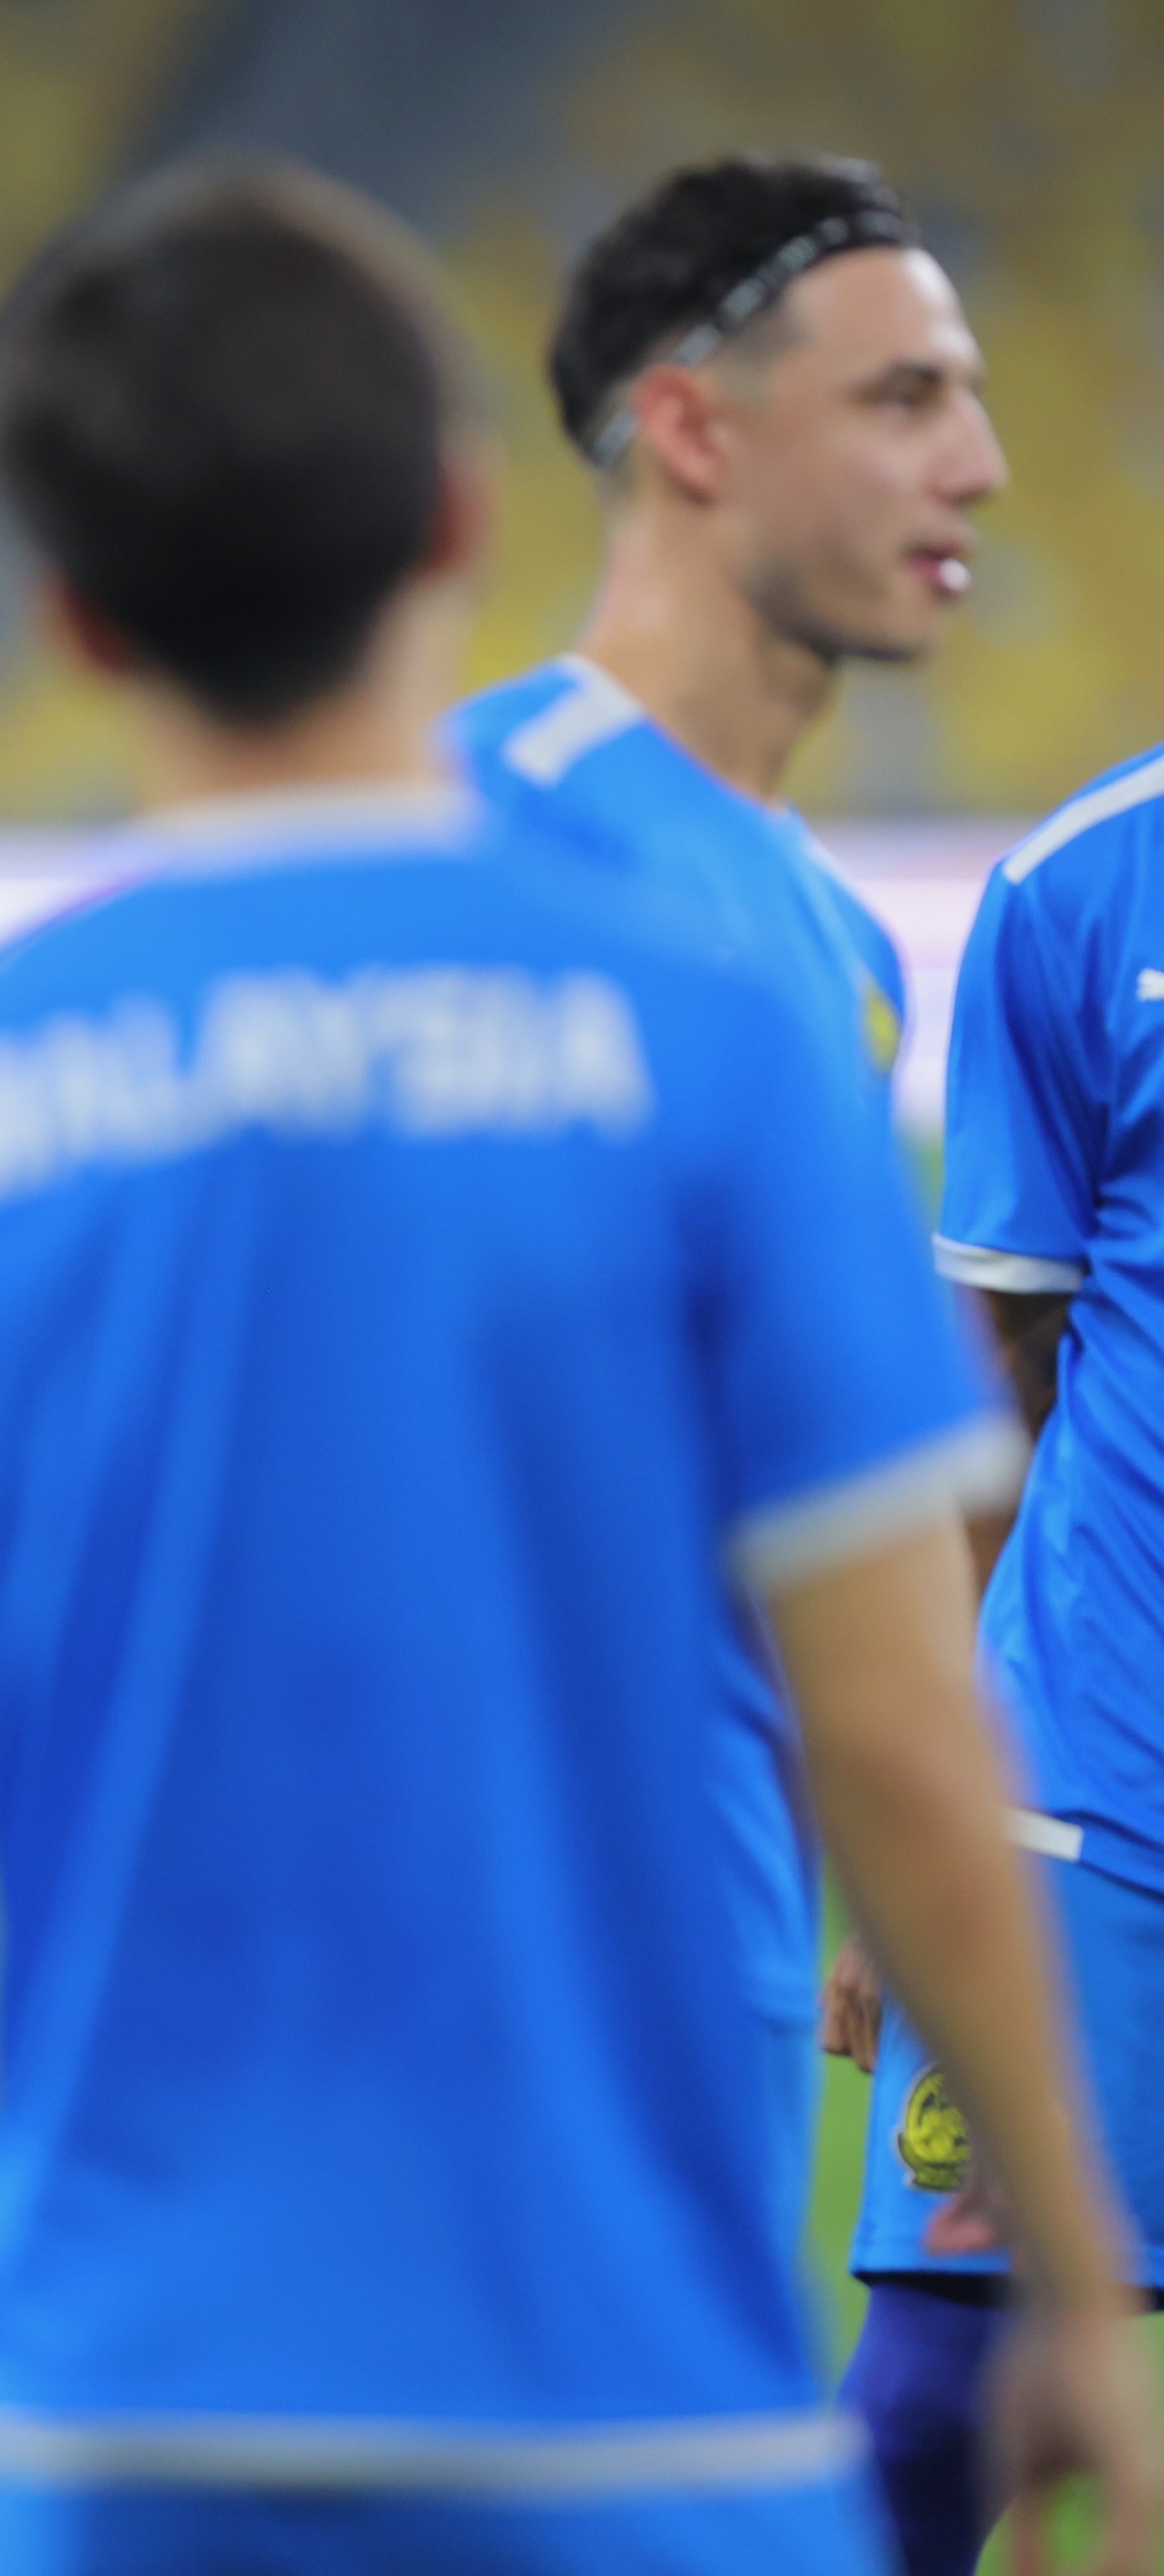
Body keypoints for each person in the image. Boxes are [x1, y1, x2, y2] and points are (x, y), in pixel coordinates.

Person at [0, 164, 1160, 2576]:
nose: (977, 464)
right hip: (618, 2355)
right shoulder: (681, 1018)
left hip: (118, 2389)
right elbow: (903, 1708)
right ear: (468, 522)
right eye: (910, 394)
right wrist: (1080, 2277)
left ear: (68, 617)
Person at [448, 158, 1007, 2259]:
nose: (977, 460)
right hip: (473, 1964)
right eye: (902, 396)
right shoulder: (463, 835)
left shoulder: (832, 940)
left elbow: (817, 1491)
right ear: (691, 427)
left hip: (728, 1937)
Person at [819, 735, 1164, 2575]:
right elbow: (986, 1397)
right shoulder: (1082, 884)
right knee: (927, 2416)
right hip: (1091, 1787)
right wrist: (917, 1845)